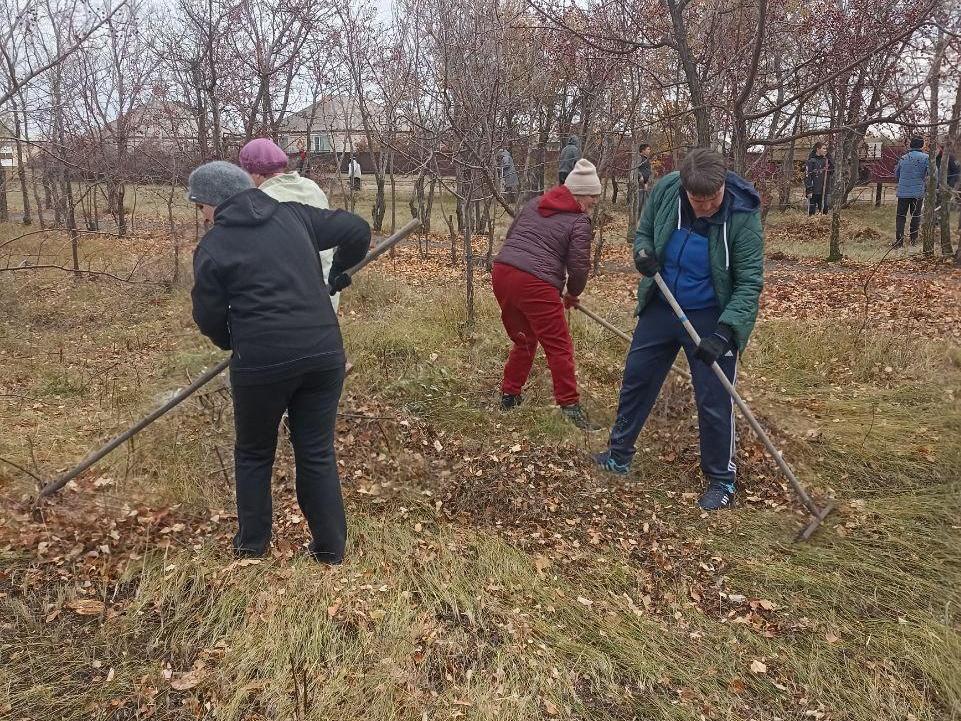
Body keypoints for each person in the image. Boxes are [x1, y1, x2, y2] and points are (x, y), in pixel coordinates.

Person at [188, 161, 370, 561]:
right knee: (316, 450)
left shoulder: (214, 247)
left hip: (261, 363)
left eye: (201, 206)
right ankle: (330, 550)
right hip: (323, 353)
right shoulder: (294, 215)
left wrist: (230, 342)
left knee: (254, 453)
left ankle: (252, 548)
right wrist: (339, 271)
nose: (202, 215)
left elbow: (208, 316)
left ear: (214, 203)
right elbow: (357, 230)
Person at [594, 148, 764, 511]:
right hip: (663, 302)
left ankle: (722, 480)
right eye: (697, 199)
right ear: (684, 188)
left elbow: (750, 282)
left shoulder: (742, 215)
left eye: (712, 199)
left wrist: (725, 333)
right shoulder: (668, 190)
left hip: (710, 315)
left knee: (714, 397)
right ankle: (618, 454)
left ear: (722, 187)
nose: (704, 206)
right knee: (637, 379)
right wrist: (643, 254)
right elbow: (643, 233)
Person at [492, 158, 601, 430]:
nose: (592, 205)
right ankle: (570, 407)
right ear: (578, 195)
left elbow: (513, 236)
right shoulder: (579, 221)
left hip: (503, 272)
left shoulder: (534, 203)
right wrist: (572, 293)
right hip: (535, 282)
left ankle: (510, 395)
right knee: (558, 346)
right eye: (592, 199)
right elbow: (578, 267)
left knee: (524, 338)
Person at [240, 138, 342, 313]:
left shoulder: (260, 201)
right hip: (326, 294)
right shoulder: (311, 188)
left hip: (288, 307)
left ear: (256, 173)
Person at [893, 137, 929, 248]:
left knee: (900, 216)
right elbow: (931, 174)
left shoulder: (903, 158)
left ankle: (899, 241)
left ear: (911, 145)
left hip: (903, 192)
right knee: (915, 216)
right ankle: (913, 241)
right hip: (917, 193)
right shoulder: (926, 158)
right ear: (922, 146)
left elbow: (897, 174)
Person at [804, 142, 832, 215]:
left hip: (824, 190)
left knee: (824, 210)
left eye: (826, 149)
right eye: (824, 148)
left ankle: (822, 225)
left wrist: (829, 157)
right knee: (812, 210)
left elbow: (832, 170)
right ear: (818, 149)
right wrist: (809, 189)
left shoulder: (826, 161)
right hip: (814, 190)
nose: (825, 150)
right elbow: (807, 176)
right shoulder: (811, 161)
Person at [636, 143, 653, 209]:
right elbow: (635, 169)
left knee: (645, 204)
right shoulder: (639, 158)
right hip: (639, 185)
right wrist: (640, 177)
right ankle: (636, 218)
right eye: (648, 149)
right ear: (643, 150)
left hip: (645, 184)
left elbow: (648, 171)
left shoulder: (646, 159)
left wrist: (646, 183)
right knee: (639, 204)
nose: (649, 151)